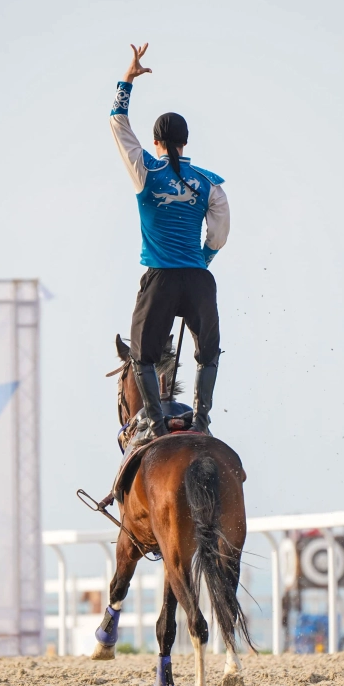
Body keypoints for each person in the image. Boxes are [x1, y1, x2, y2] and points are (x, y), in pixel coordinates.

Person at [110, 43, 230, 444]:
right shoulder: (209, 181)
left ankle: (156, 425)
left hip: (160, 279)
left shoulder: (145, 170)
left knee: (142, 357)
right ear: (185, 141)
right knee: (207, 354)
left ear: (157, 141)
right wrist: (203, 258)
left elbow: (117, 123)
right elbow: (220, 231)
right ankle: (202, 420)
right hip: (197, 280)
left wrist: (127, 78)